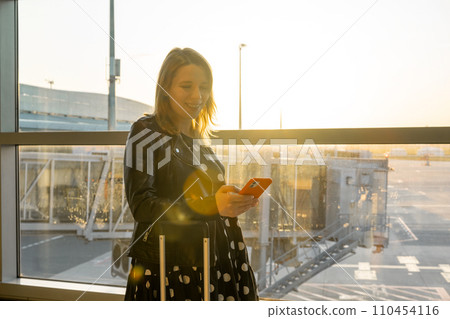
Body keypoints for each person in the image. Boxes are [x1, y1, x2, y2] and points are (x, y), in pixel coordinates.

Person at [124, 48, 259, 301]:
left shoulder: (198, 137)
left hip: (215, 254)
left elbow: (202, 199)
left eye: (204, 87)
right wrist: (212, 205)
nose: (198, 96)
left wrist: (228, 199)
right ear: (165, 88)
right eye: (186, 86)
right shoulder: (145, 131)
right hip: (172, 264)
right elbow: (142, 206)